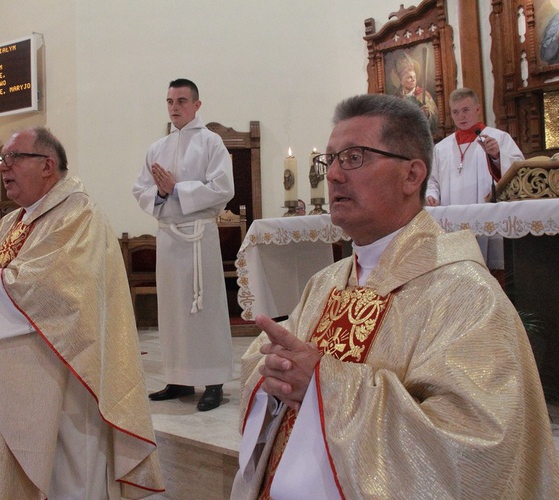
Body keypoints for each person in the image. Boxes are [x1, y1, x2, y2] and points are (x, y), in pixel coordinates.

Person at [231, 94, 559, 499]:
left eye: (353, 158)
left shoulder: (467, 298)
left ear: (412, 176)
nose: (332, 175)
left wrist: (325, 386)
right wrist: (273, 371)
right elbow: (266, 372)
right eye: (329, 159)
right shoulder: (325, 284)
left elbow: (478, 449)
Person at [0, 126, 163, 499]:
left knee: (64, 477)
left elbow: (69, 296)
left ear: (47, 165)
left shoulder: (79, 214)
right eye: (0, 159)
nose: (2, 168)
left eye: (13, 158)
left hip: (61, 383)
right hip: (9, 378)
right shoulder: (12, 222)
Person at [133, 78, 234, 412]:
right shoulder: (157, 148)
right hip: (169, 237)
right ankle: (178, 377)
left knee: (204, 308)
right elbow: (141, 190)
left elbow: (222, 188)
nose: (174, 107)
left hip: (198, 236)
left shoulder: (212, 143)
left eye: (181, 101)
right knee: (174, 309)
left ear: (196, 105)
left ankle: (214, 380)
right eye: (170, 101)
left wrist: (178, 189)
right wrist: (161, 192)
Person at [426, 87, 524, 269]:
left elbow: (518, 174)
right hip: (452, 221)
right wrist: (432, 195)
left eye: (466, 110)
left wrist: (496, 156)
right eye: (455, 112)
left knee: (492, 271)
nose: (461, 116)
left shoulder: (498, 138)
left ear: (477, 109)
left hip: (487, 217)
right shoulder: (442, 148)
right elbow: (433, 180)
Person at [392, 52, 438, 135]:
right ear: (401, 81)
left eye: (414, 77)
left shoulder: (424, 95)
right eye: (409, 77)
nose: (413, 80)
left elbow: (436, 121)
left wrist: (428, 115)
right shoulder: (397, 99)